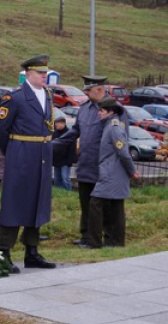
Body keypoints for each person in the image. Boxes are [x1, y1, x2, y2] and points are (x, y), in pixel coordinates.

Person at [0, 55, 56, 274]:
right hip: (21, 155)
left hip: (42, 156)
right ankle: (2, 250)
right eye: (39, 72)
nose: (44, 76)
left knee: (37, 202)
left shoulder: (47, 94)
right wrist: (15, 152)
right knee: (14, 204)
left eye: (45, 73)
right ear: (28, 74)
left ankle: (32, 251)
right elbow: (0, 129)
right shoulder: (14, 97)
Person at [53, 75, 121, 245]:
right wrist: (53, 144)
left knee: (105, 206)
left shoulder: (113, 108)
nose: (86, 94)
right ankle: (86, 236)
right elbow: (75, 131)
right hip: (85, 164)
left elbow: (119, 137)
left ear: (99, 90)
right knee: (86, 204)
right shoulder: (84, 109)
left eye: (88, 91)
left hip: (103, 166)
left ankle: (108, 238)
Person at [83, 98, 139, 249]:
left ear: (111, 112)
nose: (99, 113)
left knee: (96, 203)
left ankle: (94, 242)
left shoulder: (114, 128)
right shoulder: (110, 126)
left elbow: (123, 152)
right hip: (113, 172)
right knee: (116, 207)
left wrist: (132, 170)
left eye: (101, 111)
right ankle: (116, 242)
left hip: (112, 172)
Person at [52, 118, 75, 191]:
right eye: (55, 124)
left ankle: (69, 193)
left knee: (65, 179)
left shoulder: (69, 133)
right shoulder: (54, 133)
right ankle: (60, 193)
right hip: (56, 160)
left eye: (57, 123)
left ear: (63, 124)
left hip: (65, 161)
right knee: (57, 179)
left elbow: (72, 149)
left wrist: (70, 160)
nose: (56, 125)